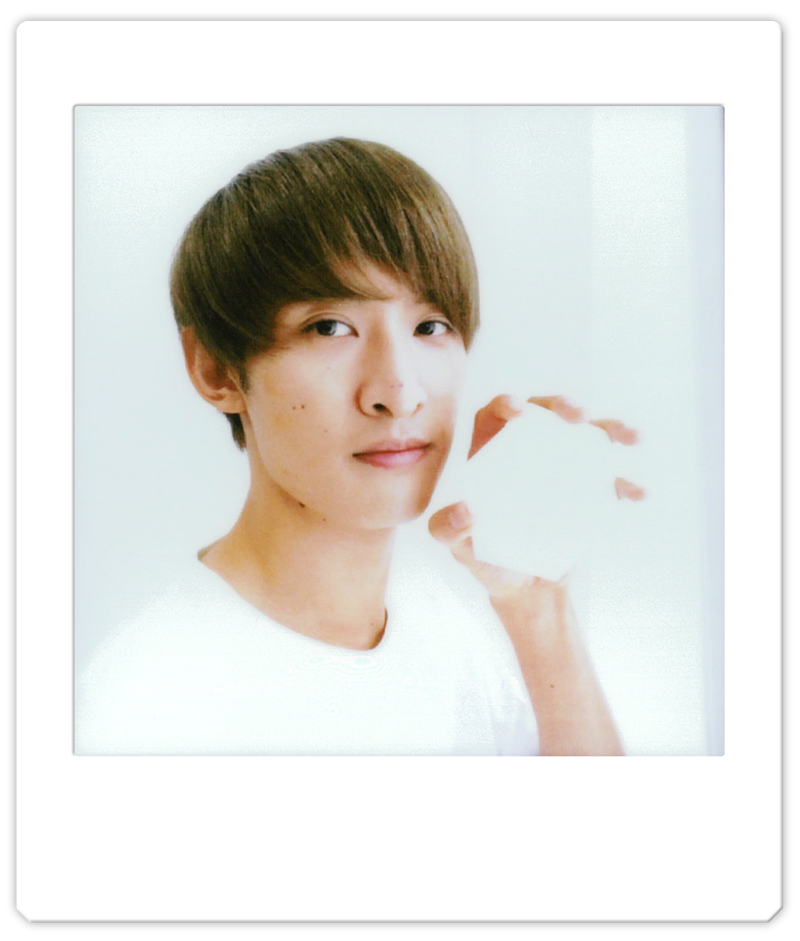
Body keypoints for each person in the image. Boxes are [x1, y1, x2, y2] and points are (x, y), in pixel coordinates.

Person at [76, 138, 638, 756]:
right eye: (330, 327)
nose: (400, 394)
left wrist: (537, 604)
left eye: (430, 326)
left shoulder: (454, 633)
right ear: (217, 370)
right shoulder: (149, 703)